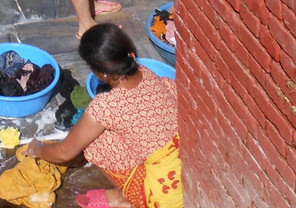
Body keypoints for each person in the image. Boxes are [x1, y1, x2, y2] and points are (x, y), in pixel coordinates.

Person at [25, 25, 181, 208]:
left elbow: (64, 152)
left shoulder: (106, 106)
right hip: (188, 173)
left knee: (94, 139)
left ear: (103, 73)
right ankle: (122, 196)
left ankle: (128, 198)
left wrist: (37, 148)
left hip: (164, 197)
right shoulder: (146, 73)